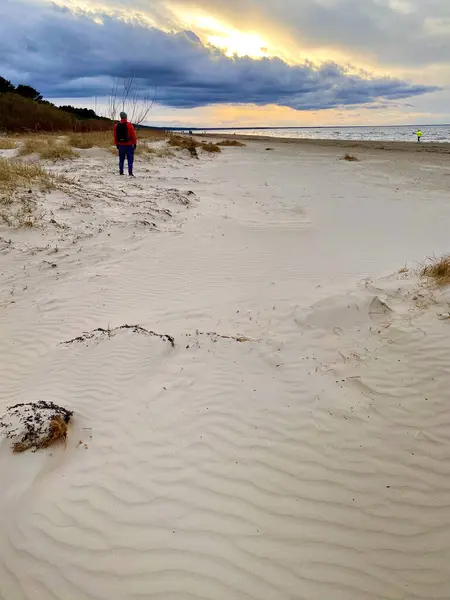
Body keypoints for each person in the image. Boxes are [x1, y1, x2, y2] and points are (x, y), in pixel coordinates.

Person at [114, 112, 137, 176]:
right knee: (130, 160)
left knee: (121, 160)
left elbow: (115, 136)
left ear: (120, 117)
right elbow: (133, 135)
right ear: (126, 117)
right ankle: (130, 173)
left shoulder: (116, 125)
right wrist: (134, 144)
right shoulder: (129, 125)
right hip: (129, 145)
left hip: (121, 145)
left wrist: (117, 144)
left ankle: (121, 172)